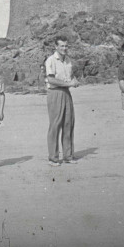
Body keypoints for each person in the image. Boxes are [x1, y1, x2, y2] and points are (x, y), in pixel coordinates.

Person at [45, 36, 80, 166]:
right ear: (56, 47)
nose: (64, 48)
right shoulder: (51, 60)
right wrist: (69, 83)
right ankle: (53, 158)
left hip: (66, 93)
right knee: (55, 125)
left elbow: (70, 76)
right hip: (55, 93)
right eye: (62, 46)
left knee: (68, 124)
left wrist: (74, 81)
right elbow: (51, 79)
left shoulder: (68, 60)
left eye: (66, 46)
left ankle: (68, 156)